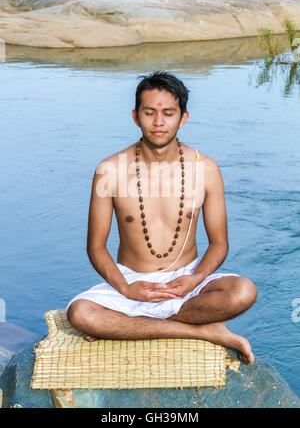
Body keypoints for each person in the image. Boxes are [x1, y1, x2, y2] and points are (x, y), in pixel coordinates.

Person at [66, 71, 258, 365]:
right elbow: (96, 247)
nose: (158, 122)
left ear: (183, 118)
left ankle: (131, 327)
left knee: (243, 291)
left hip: (187, 280)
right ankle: (205, 331)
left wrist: (193, 279)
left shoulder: (206, 169)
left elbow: (219, 244)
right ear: (135, 116)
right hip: (132, 282)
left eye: (168, 113)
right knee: (80, 313)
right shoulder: (110, 170)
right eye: (149, 112)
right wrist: (125, 288)